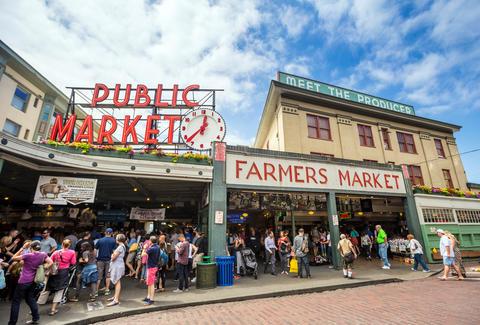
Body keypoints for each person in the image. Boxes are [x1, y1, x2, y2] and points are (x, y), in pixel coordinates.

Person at [8, 240, 53, 325]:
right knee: (30, 299)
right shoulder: (43, 254)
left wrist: (22, 248)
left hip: (23, 281)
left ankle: (12, 323)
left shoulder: (28, 255)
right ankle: (35, 318)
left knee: (16, 302)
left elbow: (13, 258)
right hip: (34, 281)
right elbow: (51, 262)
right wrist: (42, 268)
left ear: (31, 247)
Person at [47, 239, 76, 316]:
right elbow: (73, 262)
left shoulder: (56, 252)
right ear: (69, 245)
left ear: (62, 244)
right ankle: (53, 309)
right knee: (59, 290)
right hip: (64, 272)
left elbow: (50, 260)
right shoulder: (72, 252)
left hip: (54, 272)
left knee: (47, 289)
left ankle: (35, 307)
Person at [106, 234, 126, 306]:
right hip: (119, 264)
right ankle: (115, 297)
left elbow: (114, 258)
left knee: (117, 281)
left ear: (118, 239)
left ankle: (116, 300)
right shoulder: (122, 246)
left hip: (117, 265)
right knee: (117, 281)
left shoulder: (120, 247)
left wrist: (112, 255)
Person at [95, 228, 116, 296]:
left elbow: (95, 249)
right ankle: (107, 290)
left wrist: (95, 258)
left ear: (105, 233)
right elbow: (114, 251)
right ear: (111, 233)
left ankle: (96, 291)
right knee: (108, 275)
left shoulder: (100, 240)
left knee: (99, 276)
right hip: (109, 260)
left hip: (100, 260)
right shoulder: (113, 241)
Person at [143, 236, 160, 305]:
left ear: (150, 241)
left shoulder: (151, 248)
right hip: (154, 266)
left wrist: (144, 248)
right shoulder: (157, 247)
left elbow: (143, 255)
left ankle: (151, 299)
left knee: (151, 283)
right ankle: (148, 296)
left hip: (151, 267)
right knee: (150, 283)